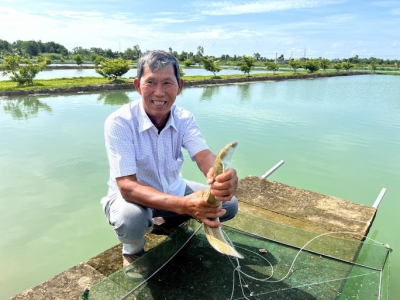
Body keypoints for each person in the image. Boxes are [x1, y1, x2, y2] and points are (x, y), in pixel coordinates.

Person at [101, 50, 238, 267]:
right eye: (151, 83)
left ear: (179, 86)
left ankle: (167, 223)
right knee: (131, 219)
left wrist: (221, 177)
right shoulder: (120, 122)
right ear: (137, 86)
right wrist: (185, 205)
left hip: (173, 189)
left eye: (167, 83)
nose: (159, 92)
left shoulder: (184, 118)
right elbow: (127, 186)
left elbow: (203, 156)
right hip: (133, 200)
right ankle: (132, 249)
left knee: (228, 204)